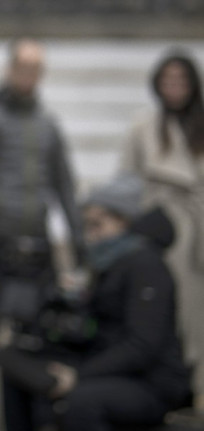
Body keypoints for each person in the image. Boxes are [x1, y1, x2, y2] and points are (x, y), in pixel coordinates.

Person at [0, 174, 191, 431]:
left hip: (149, 383)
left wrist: (79, 376)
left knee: (82, 400)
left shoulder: (146, 265)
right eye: (86, 225)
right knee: (11, 357)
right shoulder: (104, 263)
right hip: (100, 364)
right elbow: (92, 328)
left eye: (97, 225)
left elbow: (142, 345)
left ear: (124, 221)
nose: (90, 235)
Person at [0, 38, 82, 352]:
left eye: (36, 68)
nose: (29, 75)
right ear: (10, 68)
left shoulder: (48, 125)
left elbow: (64, 184)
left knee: (40, 328)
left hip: (38, 238)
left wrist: (78, 236)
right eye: (23, 67)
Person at [119, 49, 204, 413]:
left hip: (199, 231)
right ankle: (167, 382)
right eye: (168, 80)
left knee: (197, 310)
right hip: (160, 231)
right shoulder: (143, 126)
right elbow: (125, 182)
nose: (175, 87)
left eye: (181, 80)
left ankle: (197, 382)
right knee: (160, 307)